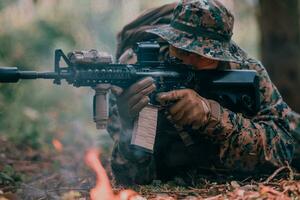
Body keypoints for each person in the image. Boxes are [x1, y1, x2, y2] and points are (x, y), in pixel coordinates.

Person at [106, 0, 300, 185]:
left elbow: (286, 147)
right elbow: (130, 179)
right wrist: (128, 124)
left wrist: (213, 118)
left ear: (222, 53)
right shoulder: (136, 76)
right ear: (170, 41)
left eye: (203, 55)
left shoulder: (245, 71)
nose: (190, 63)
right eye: (182, 51)